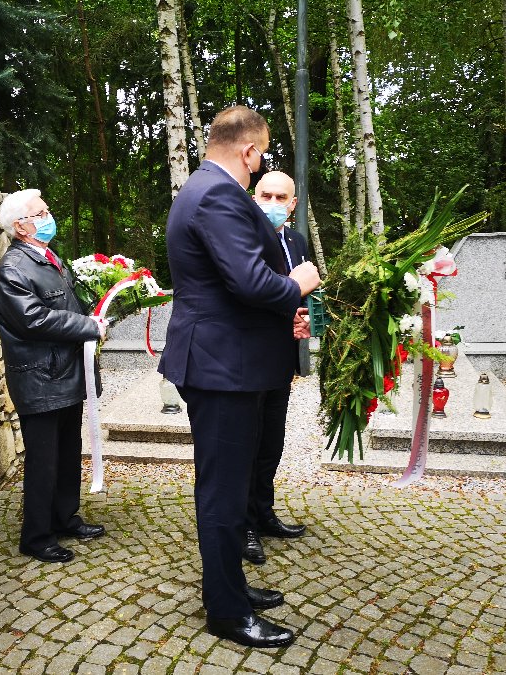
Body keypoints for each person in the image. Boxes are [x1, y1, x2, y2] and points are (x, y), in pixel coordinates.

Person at [158, 106, 320, 648]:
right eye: (262, 155)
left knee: (229, 488)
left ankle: (230, 587)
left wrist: (283, 314)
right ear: (249, 151)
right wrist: (299, 283)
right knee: (223, 494)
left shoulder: (203, 188)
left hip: (228, 363)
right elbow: (250, 282)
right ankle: (227, 612)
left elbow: (229, 287)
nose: (261, 165)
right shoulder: (218, 195)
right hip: (221, 369)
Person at [0, 189, 107, 564]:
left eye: (46, 211)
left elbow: (67, 306)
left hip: (66, 374)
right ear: (20, 227)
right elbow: (33, 319)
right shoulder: (13, 269)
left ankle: (64, 518)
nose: (48, 218)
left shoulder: (49, 257)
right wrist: (88, 326)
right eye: (40, 214)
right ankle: (37, 537)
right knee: (44, 462)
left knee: (68, 453)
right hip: (40, 380)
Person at [243, 171, 311, 566]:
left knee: (272, 443)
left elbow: (301, 295)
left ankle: (264, 513)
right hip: (249, 358)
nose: (271, 203)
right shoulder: (244, 238)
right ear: (253, 199)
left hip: (281, 358)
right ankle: (245, 526)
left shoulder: (296, 241)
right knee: (248, 446)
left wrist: (304, 318)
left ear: (293, 203)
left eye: (280, 197)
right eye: (264, 195)